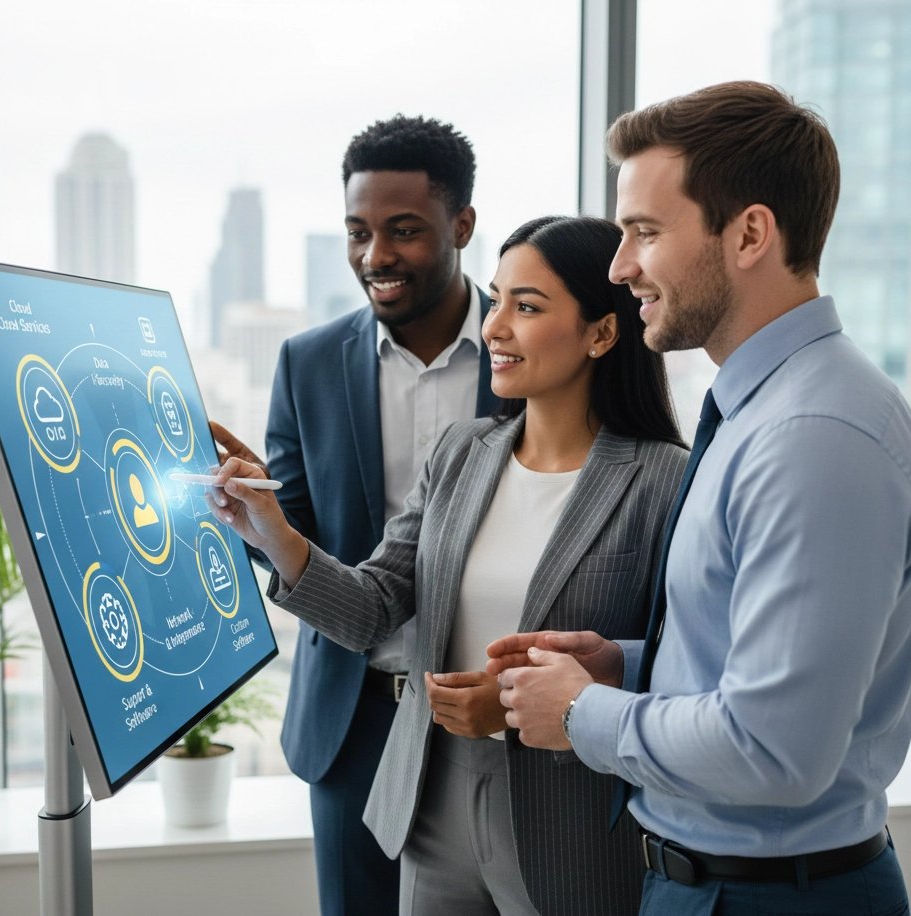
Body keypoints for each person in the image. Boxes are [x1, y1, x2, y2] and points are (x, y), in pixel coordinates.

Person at [488, 82, 911, 916]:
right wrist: (634, 667)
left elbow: (775, 750)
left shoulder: (814, 433)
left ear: (750, 233)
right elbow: (762, 671)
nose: (620, 268)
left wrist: (583, 710)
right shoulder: (762, 409)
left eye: (644, 232)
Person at [206, 215, 689, 916]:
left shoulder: (662, 480)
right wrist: (270, 530)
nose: (494, 327)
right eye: (496, 301)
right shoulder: (463, 453)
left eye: (527, 307)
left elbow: (680, 666)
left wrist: (520, 707)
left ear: (602, 333)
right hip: (434, 796)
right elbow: (373, 606)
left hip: (574, 818)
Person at [209, 115, 499, 916]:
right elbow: (293, 540)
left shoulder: (529, 345)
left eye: (404, 231)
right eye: (359, 232)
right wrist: (261, 509)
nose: (376, 257)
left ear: (462, 225)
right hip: (353, 716)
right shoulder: (307, 361)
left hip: (489, 715)